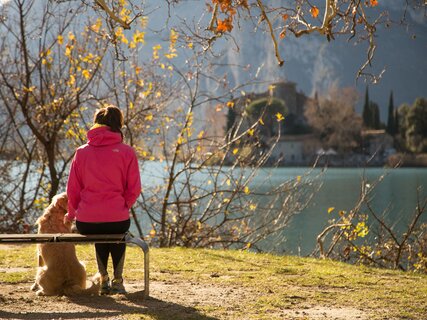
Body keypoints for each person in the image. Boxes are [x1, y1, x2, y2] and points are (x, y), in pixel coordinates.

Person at [65, 105, 141, 295]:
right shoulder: (126, 152)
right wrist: (123, 205)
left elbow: (73, 189)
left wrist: (72, 213)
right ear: (119, 124)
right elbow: (134, 188)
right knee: (116, 231)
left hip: (87, 223)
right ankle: (118, 281)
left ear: (96, 124)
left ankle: (104, 279)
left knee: (100, 229)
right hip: (118, 218)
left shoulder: (81, 152)